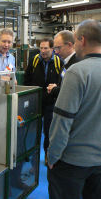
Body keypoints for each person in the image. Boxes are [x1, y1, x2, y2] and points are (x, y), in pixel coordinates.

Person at [47, 19, 101, 199]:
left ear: (82, 40)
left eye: (76, 40)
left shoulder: (77, 72)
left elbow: (62, 120)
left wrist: (52, 156)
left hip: (72, 162)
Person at [24, 38, 64, 166]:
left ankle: (47, 154)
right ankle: (29, 155)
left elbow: (62, 83)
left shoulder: (59, 62)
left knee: (48, 131)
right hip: (35, 102)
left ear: (52, 49)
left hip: (50, 103)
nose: (43, 51)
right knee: (32, 129)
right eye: (41, 48)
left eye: (46, 48)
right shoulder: (35, 60)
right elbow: (27, 79)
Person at [47, 30, 80, 98]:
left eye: (58, 48)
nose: (56, 52)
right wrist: (57, 86)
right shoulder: (67, 62)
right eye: (55, 48)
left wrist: (54, 89)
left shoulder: (75, 65)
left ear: (69, 45)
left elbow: (70, 92)